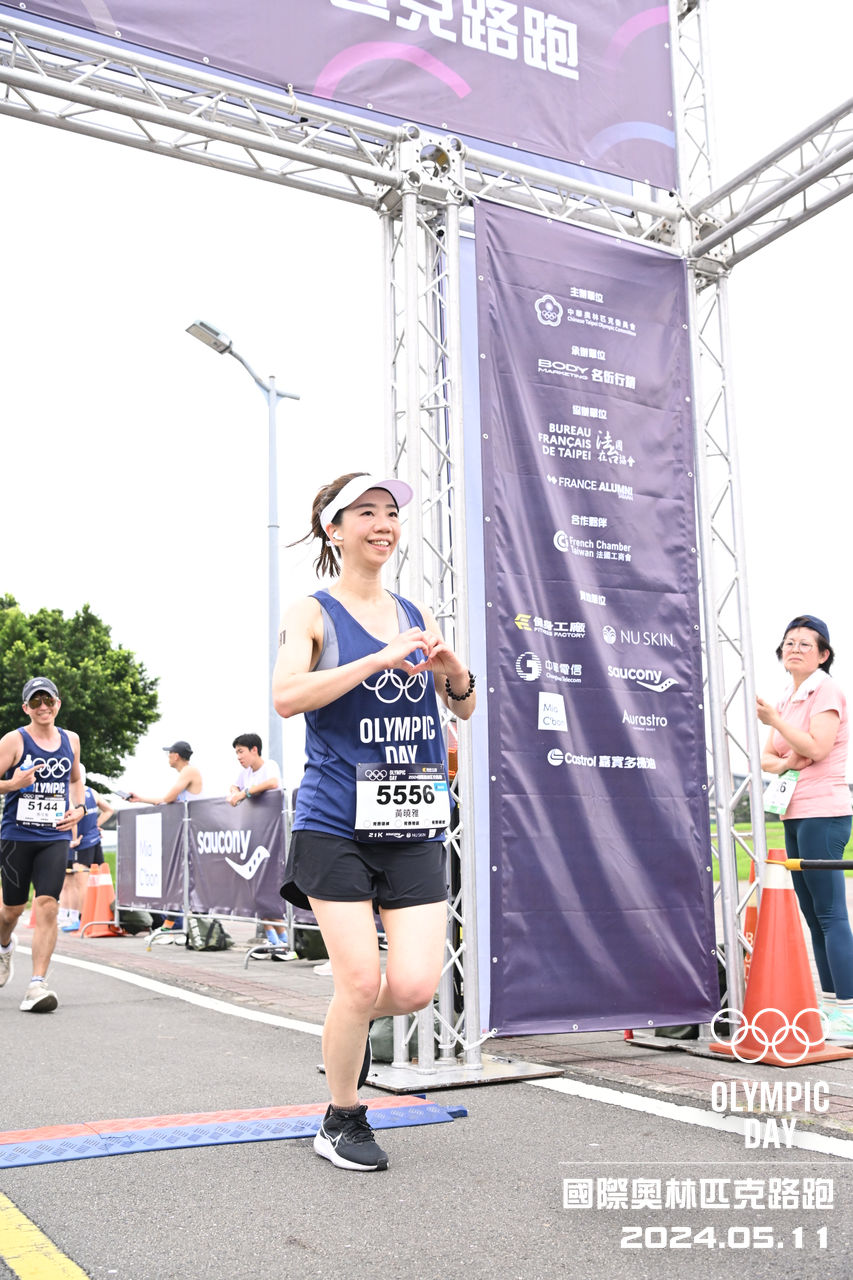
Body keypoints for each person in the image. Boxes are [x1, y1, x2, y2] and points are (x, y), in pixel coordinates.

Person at [273, 472, 476, 1171]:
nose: (383, 523)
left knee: (415, 987)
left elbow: (463, 706)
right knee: (359, 981)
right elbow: (285, 697)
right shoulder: (313, 612)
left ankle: (346, 1025)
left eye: (390, 512)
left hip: (413, 820)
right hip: (334, 822)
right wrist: (376, 659)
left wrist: (454, 672)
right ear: (335, 530)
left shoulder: (414, 610)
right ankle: (342, 1117)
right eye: (365, 512)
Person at [757, 614, 853, 1041]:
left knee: (830, 913)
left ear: (824, 655)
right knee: (814, 916)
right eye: (789, 643)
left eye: (804, 644)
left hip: (823, 812)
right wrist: (791, 759)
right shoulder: (788, 694)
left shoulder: (826, 690)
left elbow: (818, 746)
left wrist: (778, 726)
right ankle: (832, 1008)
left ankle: (849, 1009)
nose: (794, 649)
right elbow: (767, 759)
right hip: (793, 812)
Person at [0, 677, 86, 1011]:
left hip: (55, 835)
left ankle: (37, 984)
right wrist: (13, 783)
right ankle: (4, 947)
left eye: (48, 700)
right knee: (11, 910)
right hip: (17, 836)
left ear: (57, 703)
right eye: (35, 702)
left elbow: (75, 779)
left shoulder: (71, 739)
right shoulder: (14, 740)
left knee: (48, 903)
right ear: (26, 708)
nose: (43, 707)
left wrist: (80, 808)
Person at [229, 733, 295, 960]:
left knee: (269, 890)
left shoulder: (270, 766)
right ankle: (273, 940)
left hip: (273, 839)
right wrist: (234, 792)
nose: (239, 757)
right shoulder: (244, 773)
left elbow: (272, 783)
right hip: (254, 837)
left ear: (254, 750)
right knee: (256, 892)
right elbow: (234, 785)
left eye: (241, 751)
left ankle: (286, 942)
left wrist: (245, 793)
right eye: (236, 753)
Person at [59, 767, 114, 931]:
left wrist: (74, 839)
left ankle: (81, 918)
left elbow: (73, 819)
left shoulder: (71, 794)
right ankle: (85, 916)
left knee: (78, 883)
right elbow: (109, 810)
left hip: (80, 843)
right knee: (90, 881)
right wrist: (95, 825)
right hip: (93, 840)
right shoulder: (92, 792)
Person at [128, 740, 203, 805]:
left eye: (170, 752)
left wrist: (166, 799)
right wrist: (140, 799)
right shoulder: (188, 771)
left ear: (176, 756)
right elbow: (166, 799)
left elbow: (168, 798)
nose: (168, 756)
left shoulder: (189, 770)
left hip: (196, 816)